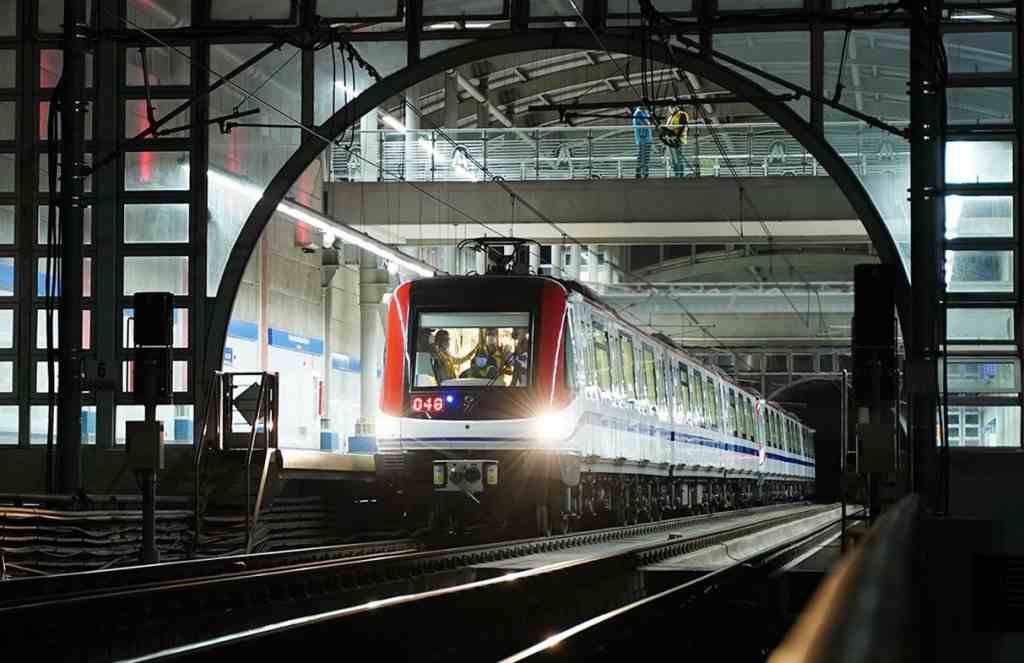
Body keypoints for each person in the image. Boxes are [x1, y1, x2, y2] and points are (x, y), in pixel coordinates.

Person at [665, 105, 690, 177]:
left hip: (679, 140)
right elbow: (669, 127)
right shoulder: (671, 116)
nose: (670, 109)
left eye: (671, 107)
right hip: (671, 140)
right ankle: (677, 174)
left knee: (678, 159)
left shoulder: (682, 114)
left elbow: (683, 127)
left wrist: (677, 137)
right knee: (674, 159)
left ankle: (680, 175)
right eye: (670, 108)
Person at [632, 106, 653, 178]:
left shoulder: (643, 112)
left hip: (645, 139)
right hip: (643, 139)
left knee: (644, 157)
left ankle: (642, 173)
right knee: (643, 157)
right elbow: (645, 125)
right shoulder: (639, 113)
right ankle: (641, 173)